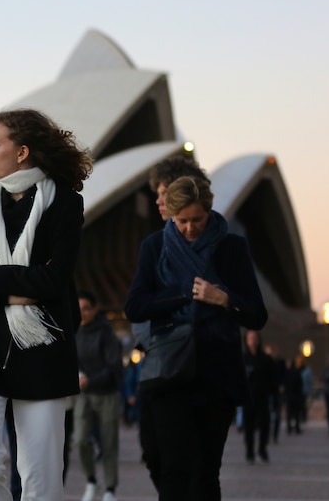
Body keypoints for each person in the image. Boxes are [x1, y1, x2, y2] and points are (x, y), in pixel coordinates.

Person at [0, 107, 92, 501]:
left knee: (41, 477)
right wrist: (11, 292)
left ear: (22, 151)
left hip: (43, 350)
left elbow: (54, 280)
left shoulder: (65, 204)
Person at [124, 175, 267, 501]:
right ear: (171, 216)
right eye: (182, 220)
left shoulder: (232, 247)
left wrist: (223, 298)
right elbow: (134, 306)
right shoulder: (155, 246)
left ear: (210, 211)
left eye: (197, 220)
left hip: (217, 375)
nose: (190, 228)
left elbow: (257, 314)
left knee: (205, 471)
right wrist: (183, 295)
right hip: (170, 371)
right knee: (172, 467)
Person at [135, 154, 211, 491]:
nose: (159, 201)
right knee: (155, 455)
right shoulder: (154, 245)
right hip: (158, 364)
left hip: (201, 367)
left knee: (189, 469)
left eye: (164, 192)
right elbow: (136, 304)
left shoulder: (217, 244)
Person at [74, 291, 122, 501]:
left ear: (94, 309)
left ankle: (110, 488)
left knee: (109, 443)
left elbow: (114, 368)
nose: (82, 313)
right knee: (80, 440)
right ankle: (92, 480)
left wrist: (91, 380)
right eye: (78, 308)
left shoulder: (106, 332)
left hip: (107, 393)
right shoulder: (73, 331)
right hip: (83, 394)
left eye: (86, 308)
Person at [241, 330, 275, 463]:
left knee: (264, 426)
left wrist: (274, 395)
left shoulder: (266, 359)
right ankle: (249, 452)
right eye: (250, 338)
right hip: (248, 398)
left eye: (255, 337)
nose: (253, 340)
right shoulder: (242, 359)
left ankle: (262, 449)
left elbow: (273, 379)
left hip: (263, 398)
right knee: (248, 427)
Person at [285, 355, 305, 435]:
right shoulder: (295, 372)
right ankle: (294, 427)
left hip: (292, 395)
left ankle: (291, 427)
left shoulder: (289, 373)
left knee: (292, 413)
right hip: (294, 395)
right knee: (294, 413)